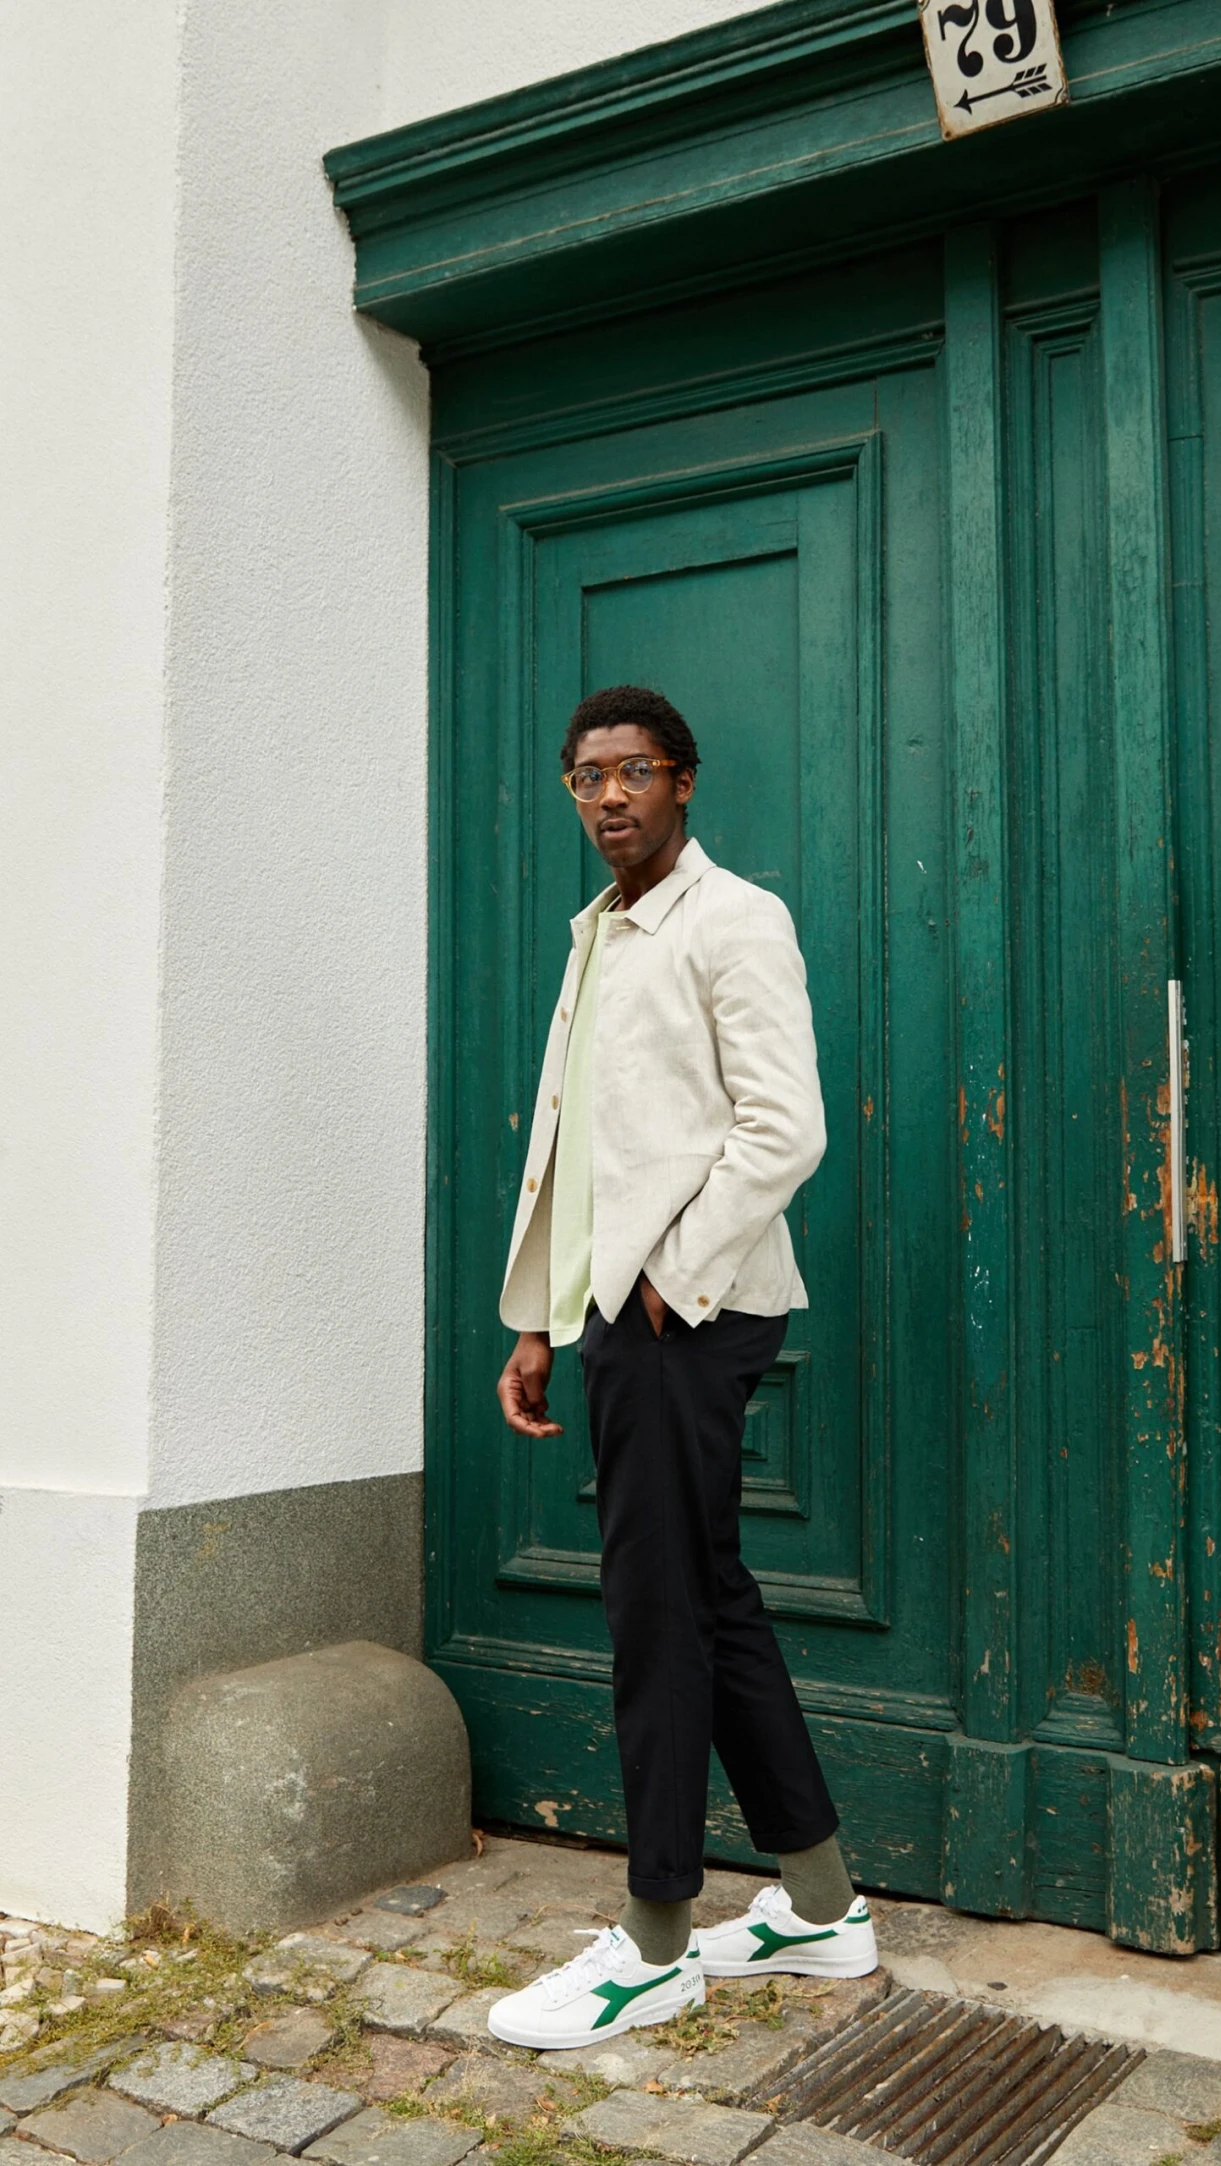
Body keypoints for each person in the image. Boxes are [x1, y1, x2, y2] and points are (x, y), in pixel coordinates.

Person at [486, 685, 878, 2050]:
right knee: (707, 1593)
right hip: (621, 1314)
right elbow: (577, 1144)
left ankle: (656, 1939)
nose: (610, 795)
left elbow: (787, 1127)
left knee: (657, 1609)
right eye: (587, 775)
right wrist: (541, 1317)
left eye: (635, 770)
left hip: (691, 1312)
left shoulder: (734, 918)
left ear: (684, 781)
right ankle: (821, 1904)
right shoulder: (596, 931)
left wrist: (662, 1283)